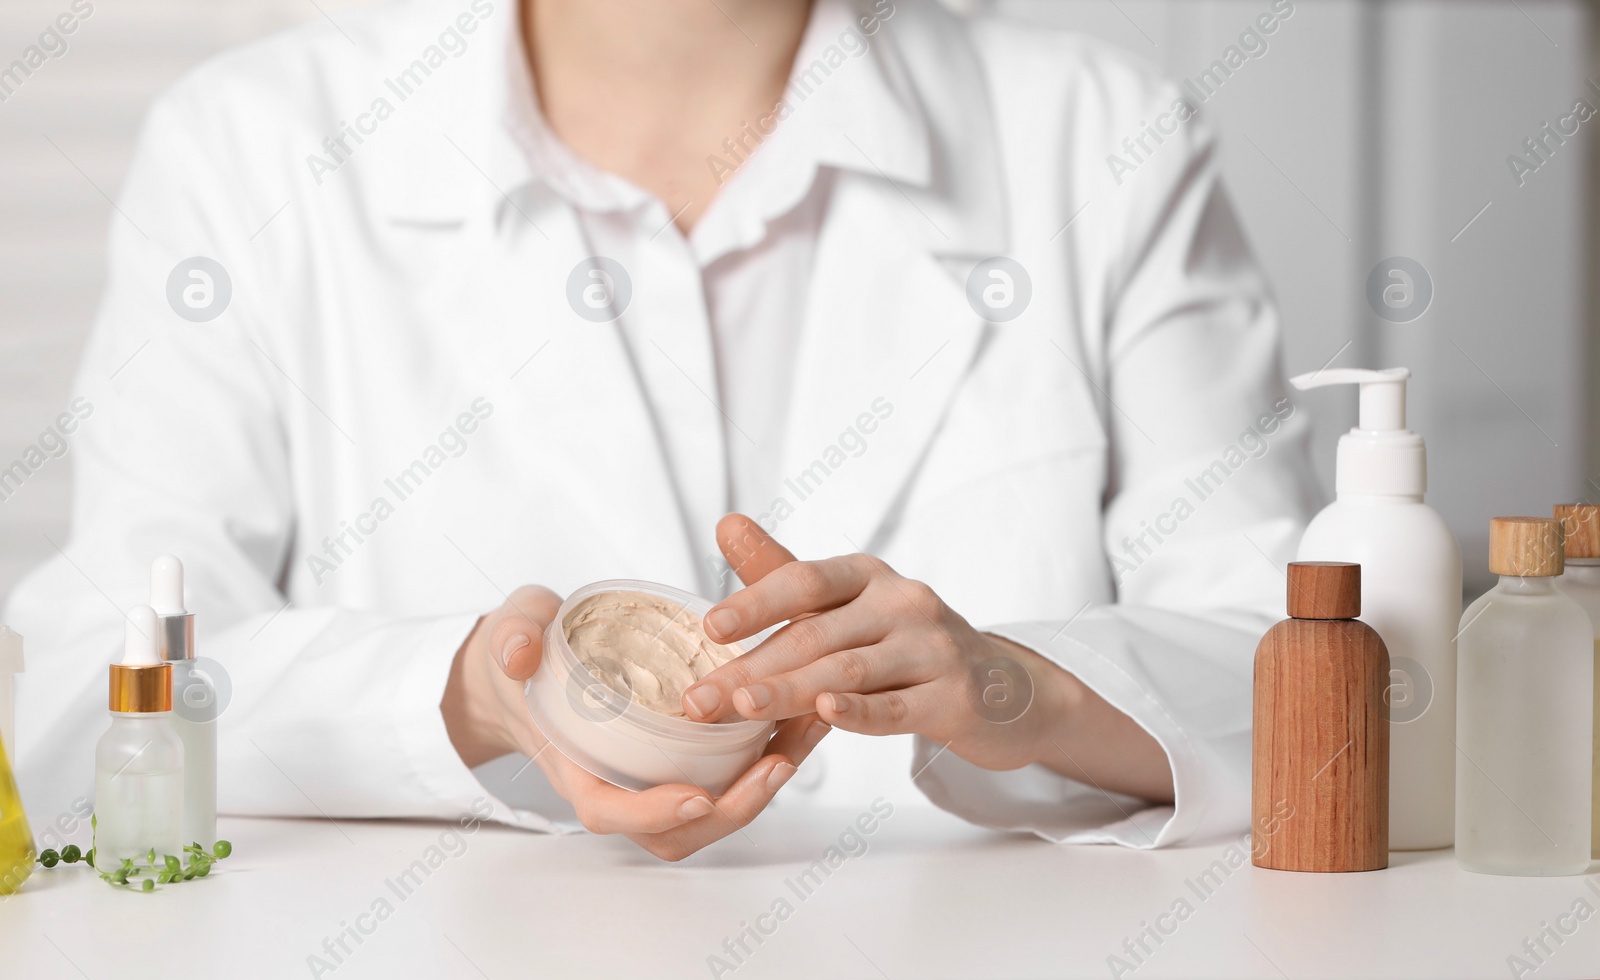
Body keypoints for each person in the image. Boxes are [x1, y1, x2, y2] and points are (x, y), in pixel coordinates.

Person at [5, 0, 1319, 860]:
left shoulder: (1096, 137)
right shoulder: (253, 149)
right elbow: (86, 703)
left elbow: (1315, 683)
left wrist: (1011, 689)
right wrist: (460, 696)